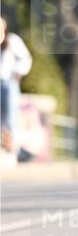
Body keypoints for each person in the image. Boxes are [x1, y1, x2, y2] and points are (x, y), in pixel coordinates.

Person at [0, 15, 32, 162]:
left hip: (8, 83)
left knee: (10, 117)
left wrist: (17, 73)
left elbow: (25, 59)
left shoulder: (12, 41)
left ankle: (13, 150)